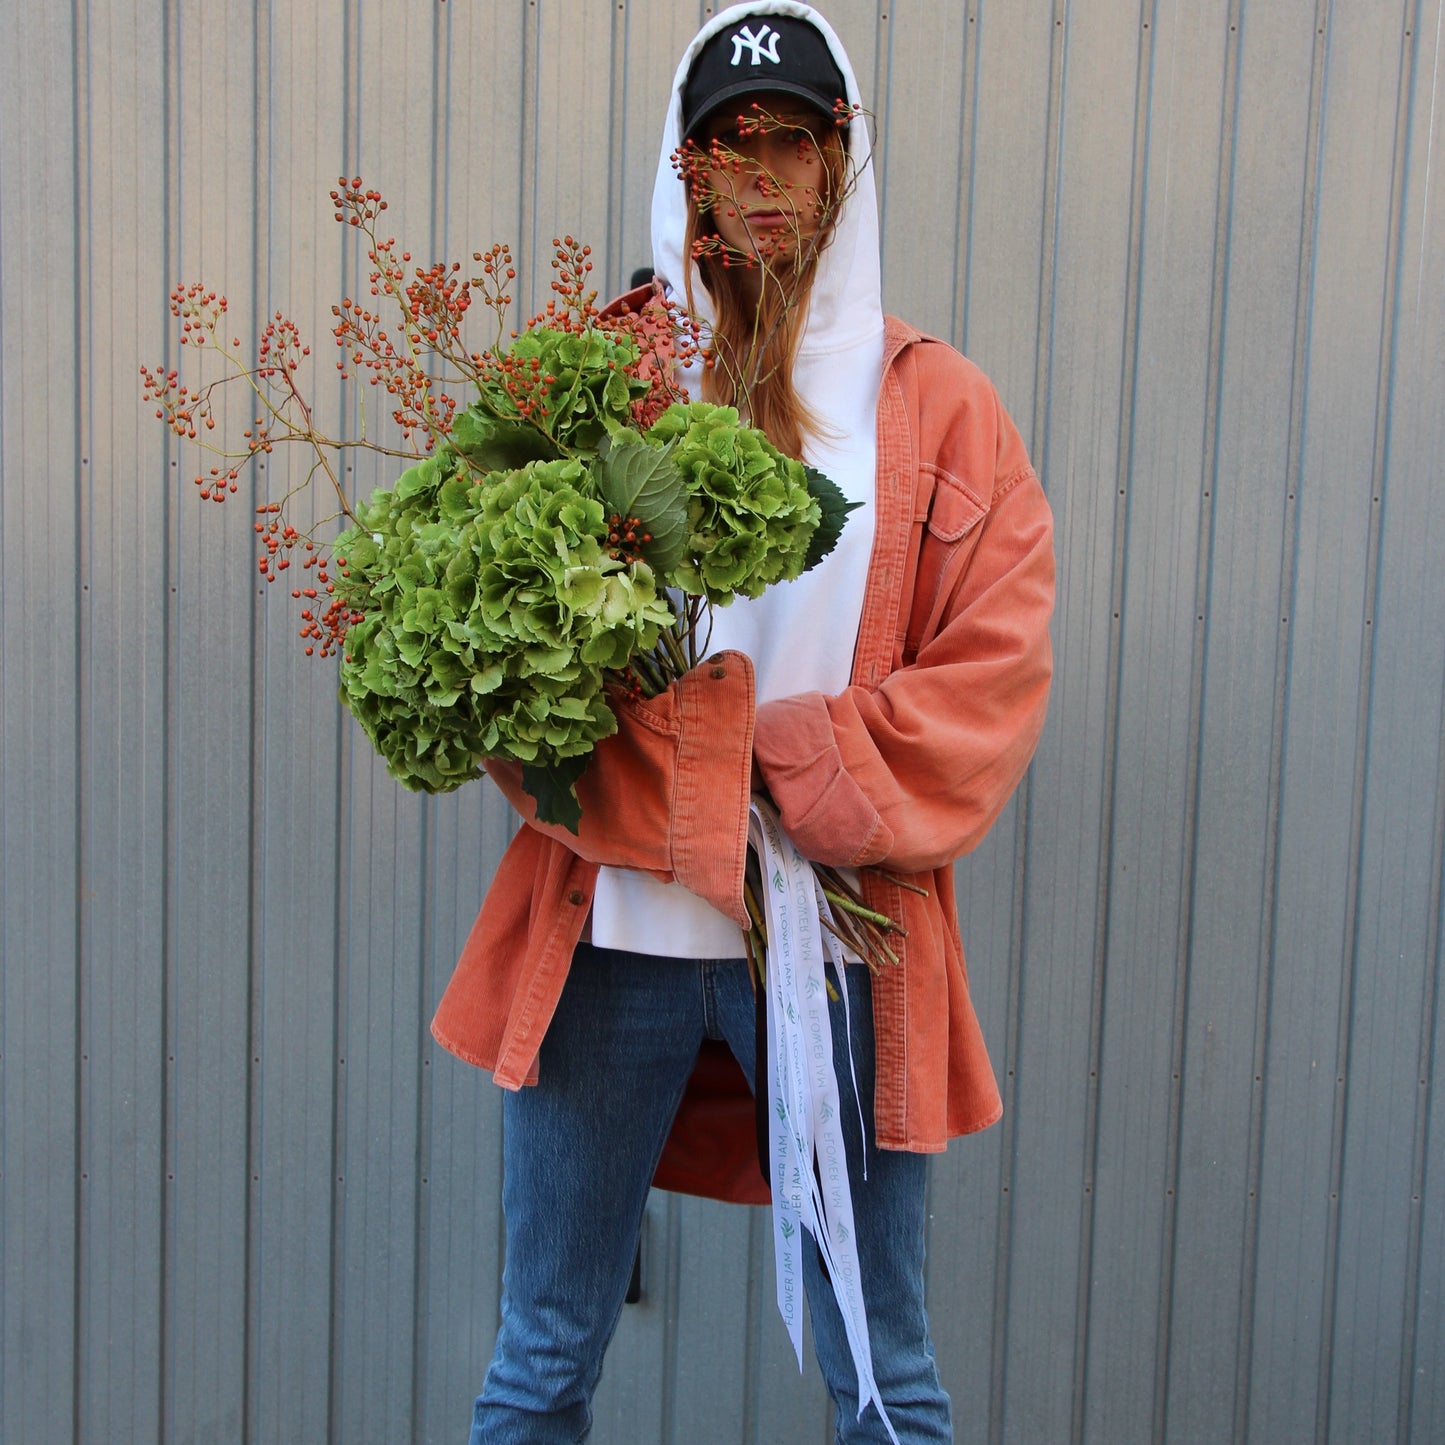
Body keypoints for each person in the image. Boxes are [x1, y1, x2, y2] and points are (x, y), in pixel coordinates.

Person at [431, 4, 1055, 1440]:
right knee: (541, 1356)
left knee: (884, 1373)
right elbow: (498, 675)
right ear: (688, 165)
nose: (763, 175)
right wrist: (711, 786)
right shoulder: (598, 381)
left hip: (837, 950)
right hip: (611, 938)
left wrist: (759, 765)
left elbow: (989, 680)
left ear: (844, 162)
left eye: (796, 142)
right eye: (728, 144)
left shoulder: (940, 408)